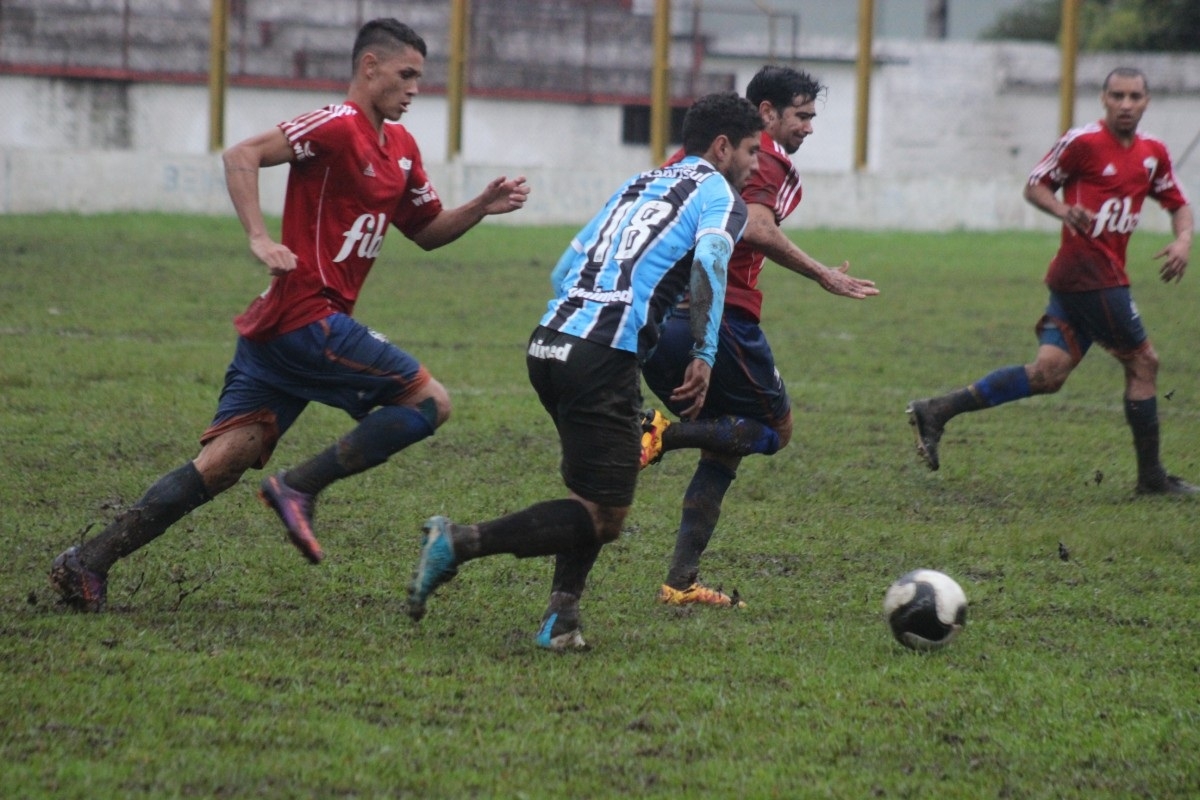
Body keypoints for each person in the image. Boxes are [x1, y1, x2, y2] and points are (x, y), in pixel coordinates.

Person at [48, 18, 530, 612]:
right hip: (307, 317)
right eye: (405, 75)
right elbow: (242, 153)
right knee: (431, 402)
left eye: (420, 78)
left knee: (222, 464)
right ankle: (298, 487)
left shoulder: (402, 150)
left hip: (283, 334)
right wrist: (258, 237)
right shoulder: (335, 124)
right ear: (369, 68)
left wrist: (481, 206)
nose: (413, 88)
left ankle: (88, 562)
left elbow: (427, 232)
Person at [403, 91, 764, 650]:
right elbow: (713, 261)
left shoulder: (640, 183)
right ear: (722, 148)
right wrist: (704, 353)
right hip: (602, 356)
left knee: (591, 495)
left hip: (549, 342)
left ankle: (561, 620)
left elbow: (562, 270)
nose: (756, 163)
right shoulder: (720, 194)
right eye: (750, 150)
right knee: (608, 517)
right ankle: (456, 542)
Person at [638, 65, 879, 608]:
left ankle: (681, 580)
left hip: (654, 321)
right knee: (774, 429)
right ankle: (661, 435)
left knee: (727, 442)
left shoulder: (694, 159)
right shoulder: (762, 155)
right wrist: (824, 273)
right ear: (765, 113)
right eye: (802, 115)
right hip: (718, 320)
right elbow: (754, 225)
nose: (809, 127)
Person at [907, 67, 1195, 495]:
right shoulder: (1083, 143)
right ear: (1104, 99)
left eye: (1135, 96)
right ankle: (1151, 478)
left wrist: (1184, 239)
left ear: (1147, 102)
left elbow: (1177, 202)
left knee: (1048, 373)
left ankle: (936, 410)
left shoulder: (1153, 152)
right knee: (1144, 363)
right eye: (1118, 95)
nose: (1126, 104)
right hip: (1090, 273)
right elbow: (1035, 185)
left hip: (1084, 279)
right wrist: (1063, 211)